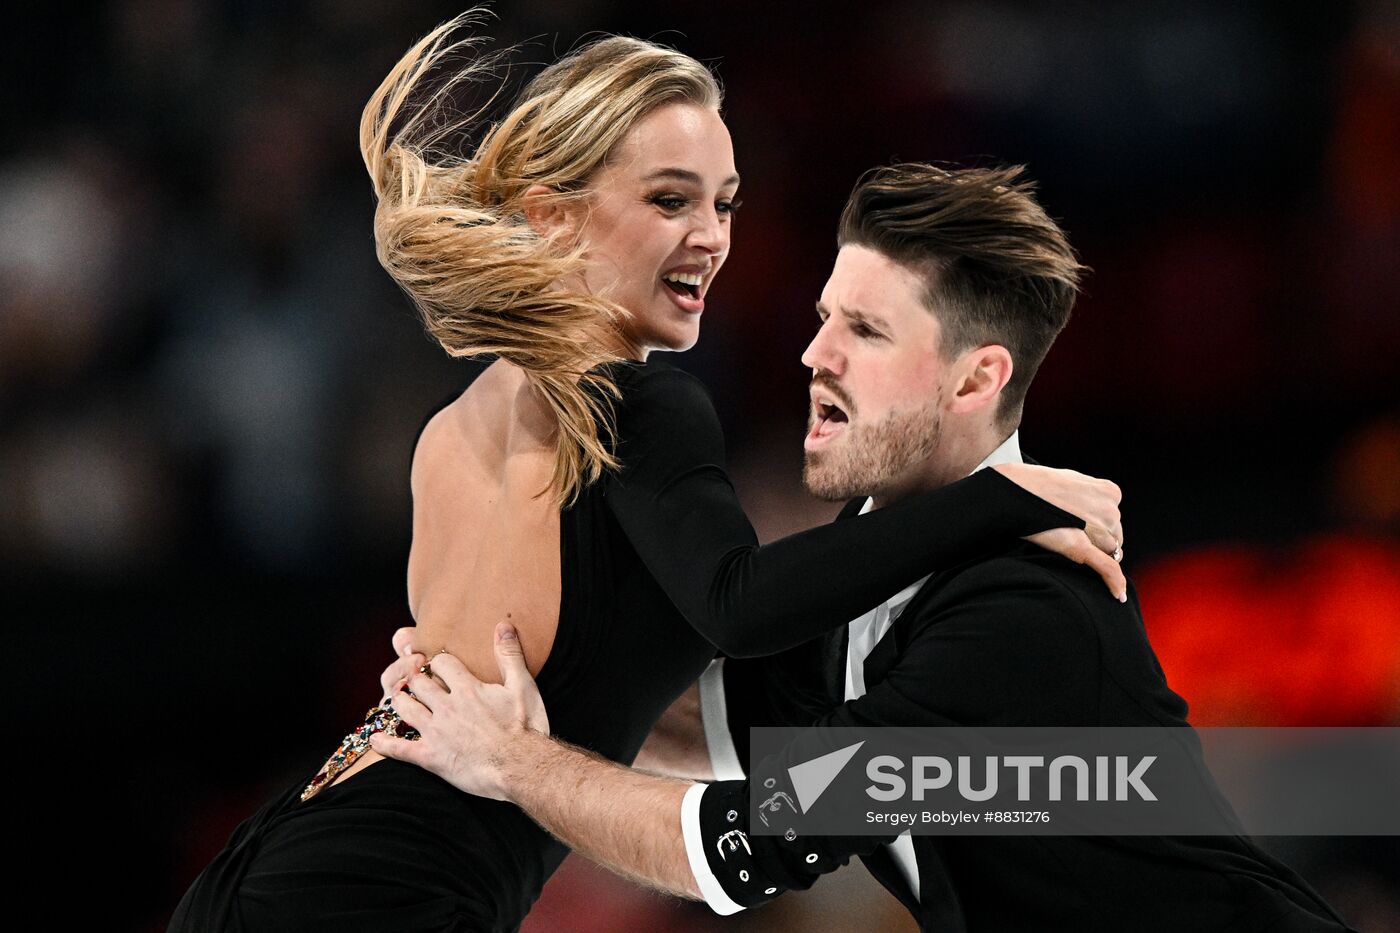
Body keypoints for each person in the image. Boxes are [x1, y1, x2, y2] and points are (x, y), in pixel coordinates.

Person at [168, 17, 1127, 933]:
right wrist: (1001, 499)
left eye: (724, 202)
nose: (712, 234)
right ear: (552, 214)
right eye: (670, 200)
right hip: (380, 895)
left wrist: (523, 761)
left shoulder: (452, 427)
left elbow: (627, 708)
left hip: (281, 859)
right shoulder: (633, 402)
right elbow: (741, 609)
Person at [373, 164, 1355, 931]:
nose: (815, 356)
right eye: (822, 319)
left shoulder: (1012, 613)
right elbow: (708, 736)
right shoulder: (874, 574)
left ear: (974, 383)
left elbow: (731, 844)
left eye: (865, 332)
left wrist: (510, 762)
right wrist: (503, 687)